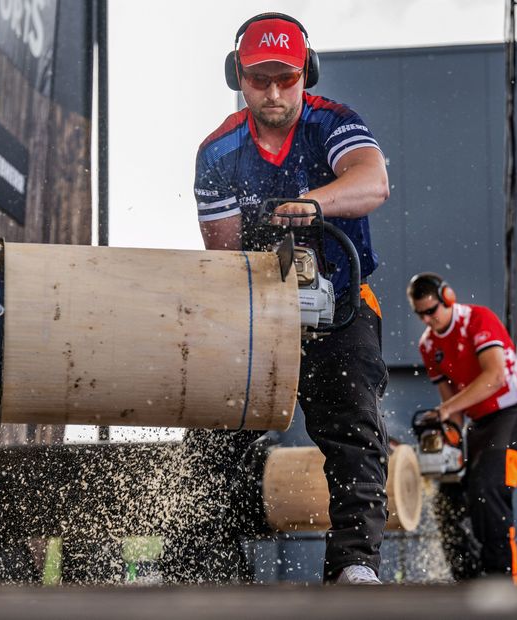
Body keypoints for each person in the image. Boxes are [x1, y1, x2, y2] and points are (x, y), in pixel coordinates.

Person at [173, 12, 391, 585]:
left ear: (307, 74)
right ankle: (214, 566)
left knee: (355, 429)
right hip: (252, 309)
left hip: (339, 302)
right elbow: (221, 255)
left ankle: (354, 565)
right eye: (259, 79)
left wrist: (314, 203)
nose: (273, 93)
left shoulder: (335, 124)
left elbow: (373, 182)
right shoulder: (218, 151)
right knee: (214, 433)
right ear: (237, 77)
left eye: (286, 79)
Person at [407, 273, 517, 584]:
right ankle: (467, 581)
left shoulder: (478, 319)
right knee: (447, 500)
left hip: (514, 416)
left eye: (432, 311)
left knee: (487, 488)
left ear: (448, 299)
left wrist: (446, 411)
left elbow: (495, 377)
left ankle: (503, 579)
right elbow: (450, 407)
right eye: (420, 314)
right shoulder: (428, 345)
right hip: (478, 426)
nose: (428, 320)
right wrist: (445, 439)